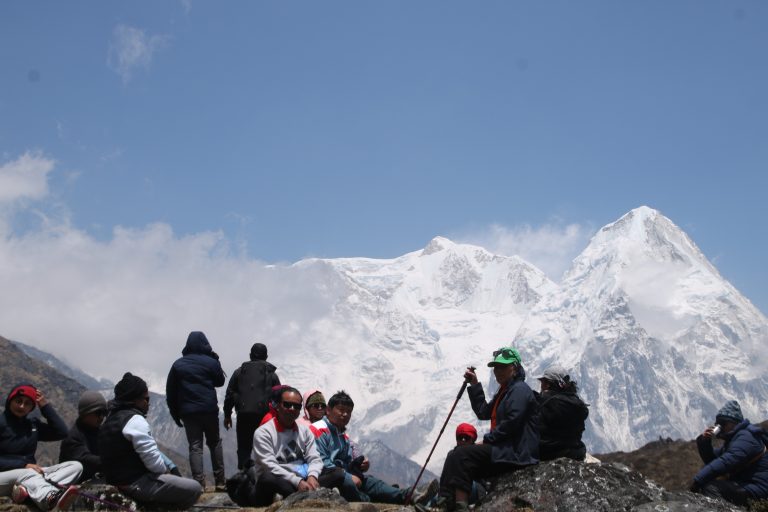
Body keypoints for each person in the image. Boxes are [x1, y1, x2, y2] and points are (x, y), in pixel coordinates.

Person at [435, 347, 539, 512]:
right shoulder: (506, 391)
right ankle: (444, 504)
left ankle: (459, 507)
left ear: (514, 368)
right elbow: (484, 412)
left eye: (502, 366)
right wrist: (474, 384)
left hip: (516, 453)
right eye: (495, 367)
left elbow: (512, 422)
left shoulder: (519, 390)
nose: (497, 371)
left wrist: (488, 440)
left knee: (462, 455)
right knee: (455, 454)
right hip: (505, 450)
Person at [312, 390, 435, 505]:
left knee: (372, 483)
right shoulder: (319, 429)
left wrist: (360, 465)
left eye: (348, 411)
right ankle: (371, 500)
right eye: (341, 410)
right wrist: (348, 476)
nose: (345, 414)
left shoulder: (342, 435)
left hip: (344, 475)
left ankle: (410, 495)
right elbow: (322, 463)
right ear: (328, 410)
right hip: (328, 477)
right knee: (349, 485)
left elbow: (348, 461)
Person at [100, 372, 202, 509]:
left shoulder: (109, 420)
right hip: (136, 483)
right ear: (135, 400)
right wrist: (168, 473)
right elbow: (155, 465)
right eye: (146, 399)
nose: (148, 403)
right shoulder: (135, 420)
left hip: (114, 481)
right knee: (194, 488)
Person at [232, 387, 342, 506]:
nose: (292, 409)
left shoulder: (305, 431)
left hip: (303, 479)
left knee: (337, 473)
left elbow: (315, 458)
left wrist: (312, 476)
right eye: (287, 405)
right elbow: (269, 466)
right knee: (267, 478)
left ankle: (295, 496)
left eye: (297, 406)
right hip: (280, 480)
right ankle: (316, 494)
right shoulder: (263, 432)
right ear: (277, 406)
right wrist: (297, 481)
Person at [0, 384, 82, 511]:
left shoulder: (32, 425)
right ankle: (50, 500)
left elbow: (61, 432)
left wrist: (45, 406)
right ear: (10, 401)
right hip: (4, 477)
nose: (22, 406)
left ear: (32, 407)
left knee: (75, 466)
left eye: (27, 403)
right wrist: (23, 465)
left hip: (28, 474)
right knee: (28, 474)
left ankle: (25, 492)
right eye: (18, 401)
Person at [166, 331, 226, 490]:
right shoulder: (210, 362)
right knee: (215, 443)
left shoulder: (178, 365)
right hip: (209, 409)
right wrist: (216, 361)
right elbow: (220, 381)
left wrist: (175, 414)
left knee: (195, 446)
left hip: (189, 412)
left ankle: (199, 484)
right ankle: (220, 482)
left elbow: (171, 392)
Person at [690, 400, 768, 506]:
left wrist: (698, 480)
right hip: (748, 486)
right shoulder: (733, 440)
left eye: (723, 423)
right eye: (718, 423)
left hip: (760, 490)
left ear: (734, 423)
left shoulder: (746, 437)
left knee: (711, 488)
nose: (719, 427)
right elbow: (712, 460)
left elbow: (725, 461)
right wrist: (704, 442)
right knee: (708, 485)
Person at [224, 342, 281, 469]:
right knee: (265, 447)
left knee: (244, 448)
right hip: (265, 418)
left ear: (250, 355)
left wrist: (227, 415)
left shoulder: (239, 372)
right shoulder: (271, 374)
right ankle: (264, 474)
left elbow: (229, 395)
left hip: (243, 415)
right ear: (266, 357)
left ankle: (245, 474)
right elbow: (279, 396)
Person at [535, 365, 589, 461]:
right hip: (575, 452)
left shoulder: (546, 402)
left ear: (548, 384)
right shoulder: (577, 403)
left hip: (548, 453)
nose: (541, 385)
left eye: (543, 382)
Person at [59, 390, 108, 481]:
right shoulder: (72, 439)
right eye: (98, 413)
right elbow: (88, 460)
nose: (102, 417)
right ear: (85, 413)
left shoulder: (99, 431)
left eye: (104, 413)